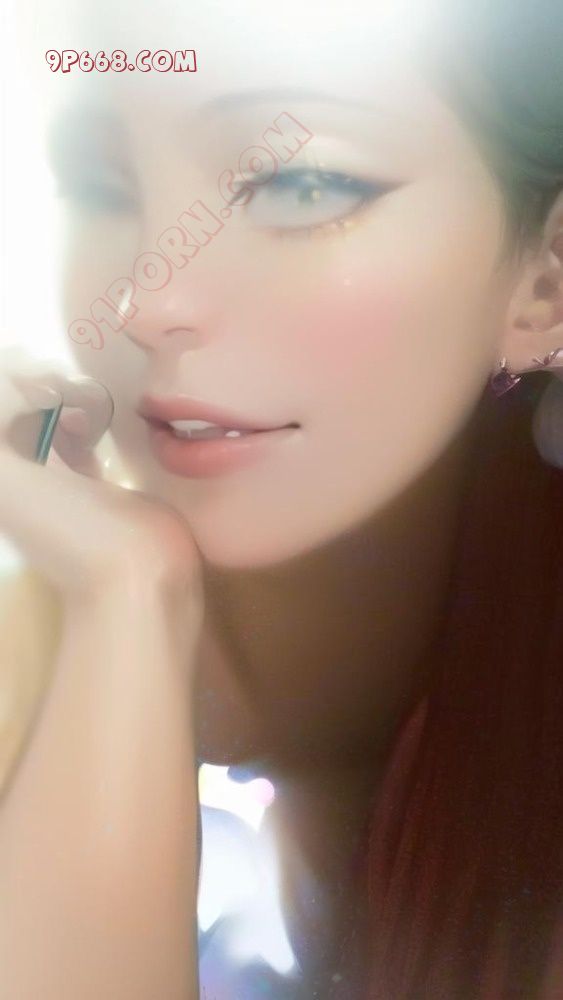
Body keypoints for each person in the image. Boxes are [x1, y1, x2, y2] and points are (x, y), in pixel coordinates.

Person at [1, 0, 563, 996]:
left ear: (544, 285)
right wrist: (123, 597)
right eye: (103, 184)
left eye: (302, 185)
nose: (146, 300)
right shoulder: (49, 632)